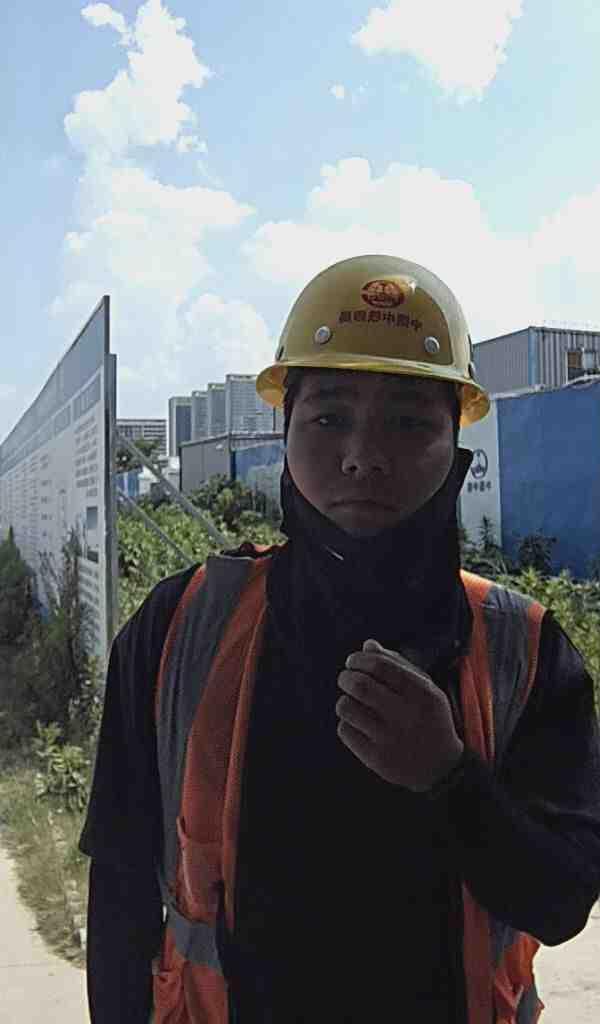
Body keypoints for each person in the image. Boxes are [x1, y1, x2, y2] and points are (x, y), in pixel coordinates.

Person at [79, 255, 600, 1024]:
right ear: (285, 430)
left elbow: (560, 902)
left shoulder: (522, 649)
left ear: (456, 444)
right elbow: (121, 887)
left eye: (408, 422)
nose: (363, 456)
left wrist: (451, 779)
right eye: (328, 418)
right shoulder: (180, 625)